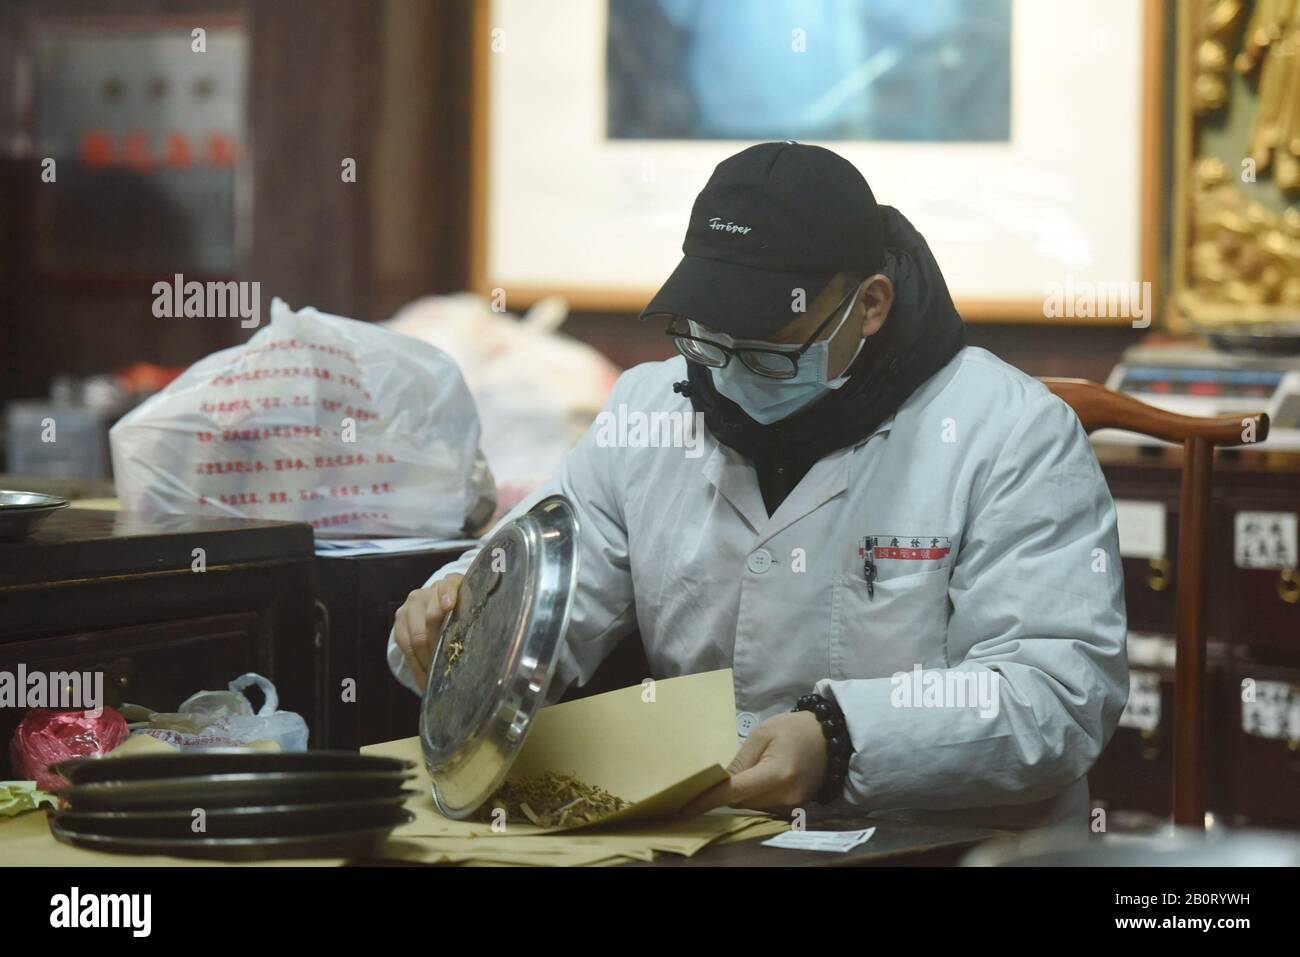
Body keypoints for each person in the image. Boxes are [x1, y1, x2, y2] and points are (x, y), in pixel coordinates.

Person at [391, 142, 1128, 830]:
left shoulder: (1008, 431)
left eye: (769, 354)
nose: (732, 378)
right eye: (710, 340)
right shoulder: (650, 414)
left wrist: (840, 739)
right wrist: (461, 615)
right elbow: (545, 590)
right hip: (718, 835)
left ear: (869, 305)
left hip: (940, 840)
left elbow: (1056, 695)